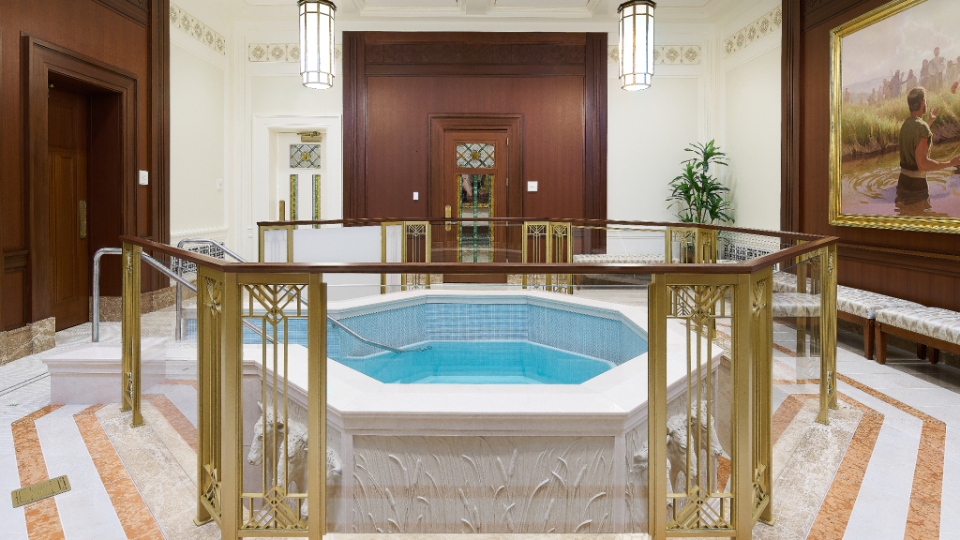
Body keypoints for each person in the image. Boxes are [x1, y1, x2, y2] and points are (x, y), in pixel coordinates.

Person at [896, 87, 960, 215]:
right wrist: (950, 163)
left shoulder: (906, 125)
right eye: (925, 101)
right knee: (922, 218)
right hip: (916, 187)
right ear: (922, 103)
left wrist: (930, 121)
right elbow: (923, 165)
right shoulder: (921, 127)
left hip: (902, 183)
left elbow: (916, 137)